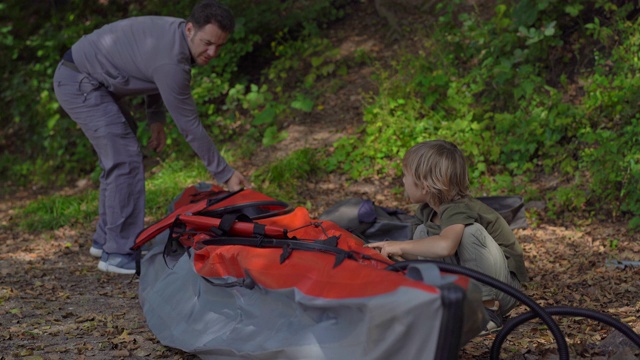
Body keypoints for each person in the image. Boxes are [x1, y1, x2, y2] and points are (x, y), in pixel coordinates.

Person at [52, 0, 251, 275]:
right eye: (207, 43)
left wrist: (155, 120)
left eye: (220, 46)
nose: (212, 52)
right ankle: (117, 253)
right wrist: (225, 173)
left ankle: (106, 241)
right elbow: (189, 126)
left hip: (88, 79)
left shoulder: (175, 37)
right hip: (80, 82)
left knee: (120, 156)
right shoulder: (172, 62)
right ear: (191, 29)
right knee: (124, 158)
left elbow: (147, 68)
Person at [365, 140, 529, 334]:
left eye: (405, 176)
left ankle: (489, 310)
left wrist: (399, 245)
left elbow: (445, 247)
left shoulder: (457, 207)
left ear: (424, 183)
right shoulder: (425, 212)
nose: (403, 181)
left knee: (469, 232)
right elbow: (421, 255)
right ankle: (441, 303)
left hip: (503, 288)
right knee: (421, 236)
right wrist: (390, 253)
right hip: (473, 286)